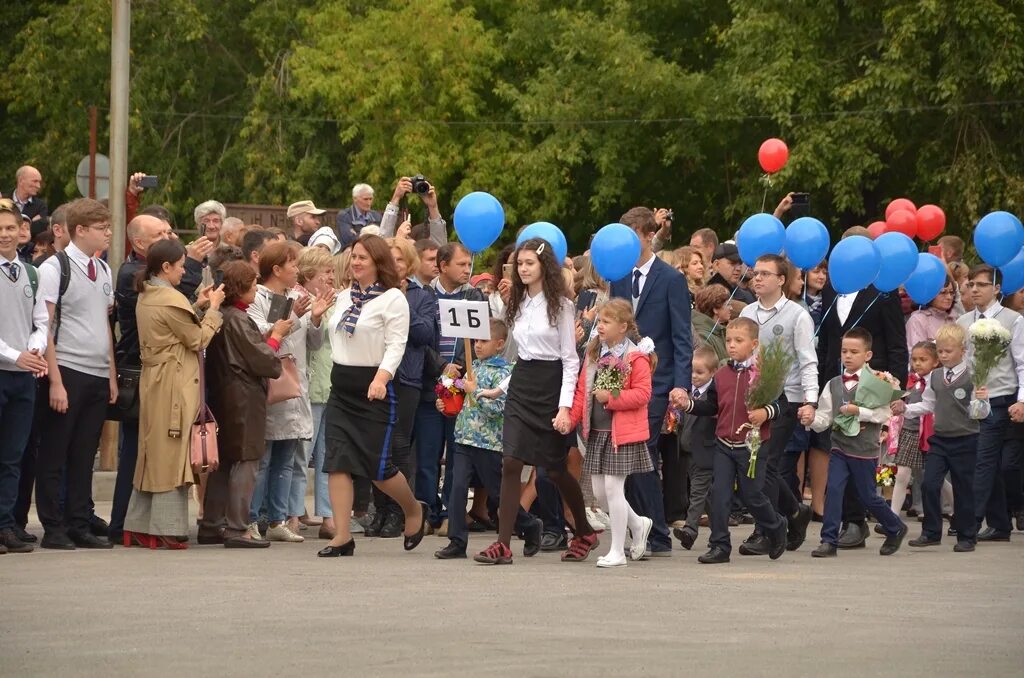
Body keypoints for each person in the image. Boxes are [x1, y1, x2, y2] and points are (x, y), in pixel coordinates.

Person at [474, 238, 596, 565]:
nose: (523, 269)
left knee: (554, 471)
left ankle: (584, 530)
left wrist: (565, 407)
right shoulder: (518, 302)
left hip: (552, 386)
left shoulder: (562, 305)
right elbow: (524, 357)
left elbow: (570, 361)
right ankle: (502, 544)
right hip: (522, 386)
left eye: (529, 263)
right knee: (510, 463)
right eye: (520, 264)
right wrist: (500, 388)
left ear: (544, 266)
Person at [319, 235, 427, 557]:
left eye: (363, 257)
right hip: (341, 388)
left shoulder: (393, 298)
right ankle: (341, 536)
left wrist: (382, 377)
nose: (355, 262)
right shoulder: (343, 297)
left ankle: (412, 509)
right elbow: (336, 337)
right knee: (337, 461)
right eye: (353, 256)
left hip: (373, 387)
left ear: (378, 262)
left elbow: (397, 344)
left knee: (378, 469)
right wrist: (314, 317)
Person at [109, 215, 211, 542]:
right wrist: (215, 311)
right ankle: (167, 530)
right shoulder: (170, 298)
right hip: (172, 385)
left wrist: (196, 304)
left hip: (156, 380)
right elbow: (196, 339)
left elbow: (172, 325)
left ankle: (137, 527)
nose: (185, 271)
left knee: (150, 455)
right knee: (171, 456)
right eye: (181, 266)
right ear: (165, 267)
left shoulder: (150, 293)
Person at [609, 206, 693, 558]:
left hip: (658, 382)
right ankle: (644, 527)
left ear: (647, 235)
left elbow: (681, 336)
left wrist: (681, 384)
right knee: (629, 457)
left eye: (632, 238)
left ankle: (656, 531)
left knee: (643, 452)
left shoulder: (671, 279)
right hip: (622, 382)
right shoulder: (617, 277)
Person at [34, 198, 117, 550]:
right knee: (55, 452)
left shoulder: (105, 270)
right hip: (67, 368)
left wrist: (111, 374)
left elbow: (104, 324)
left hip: (97, 373)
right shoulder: (55, 267)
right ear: (79, 230)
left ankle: (79, 522)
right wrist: (55, 379)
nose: (108, 233)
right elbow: (46, 325)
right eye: (101, 228)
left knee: (84, 455)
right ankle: (53, 526)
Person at [817, 250, 907, 549]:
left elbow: (896, 342)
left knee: (866, 488)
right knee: (836, 481)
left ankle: (863, 523)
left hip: (872, 384)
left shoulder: (882, 291)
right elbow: (829, 340)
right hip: (836, 381)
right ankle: (832, 536)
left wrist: (895, 389)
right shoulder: (831, 287)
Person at [434, 318, 543, 559]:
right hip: (463, 438)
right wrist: (445, 404)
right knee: (457, 487)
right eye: (475, 341)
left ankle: (528, 524)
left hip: (489, 442)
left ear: (500, 344)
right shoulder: (472, 368)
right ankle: (457, 540)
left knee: (498, 493)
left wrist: (477, 394)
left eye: (484, 341)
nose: (477, 345)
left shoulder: (504, 373)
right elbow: (460, 402)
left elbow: (500, 409)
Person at [682, 317, 788, 564]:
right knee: (719, 494)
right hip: (723, 444)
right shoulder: (721, 374)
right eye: (728, 340)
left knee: (752, 495)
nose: (731, 345)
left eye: (738, 341)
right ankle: (720, 545)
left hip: (752, 444)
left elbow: (783, 404)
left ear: (753, 344)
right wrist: (688, 404)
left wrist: (765, 413)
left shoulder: (764, 373)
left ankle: (776, 525)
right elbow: (711, 405)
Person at [247, 241, 331, 543]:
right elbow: (265, 335)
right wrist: (294, 316)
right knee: (265, 457)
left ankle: (278, 519)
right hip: (273, 384)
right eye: (293, 264)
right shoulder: (258, 296)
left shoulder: (297, 296)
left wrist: (317, 318)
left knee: (287, 456)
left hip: (297, 385)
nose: (298, 269)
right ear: (277, 269)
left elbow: (314, 342)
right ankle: (253, 519)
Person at [801, 328, 909, 558]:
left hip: (864, 449)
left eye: (854, 352)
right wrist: (811, 419)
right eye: (844, 351)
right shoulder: (833, 384)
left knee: (868, 496)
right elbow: (825, 417)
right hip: (839, 446)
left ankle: (895, 526)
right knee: (835, 490)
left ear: (867, 355)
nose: (847, 356)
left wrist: (857, 411)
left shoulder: (878, 381)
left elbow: (883, 414)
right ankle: (828, 540)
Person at [199, 261, 284, 548]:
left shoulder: (222, 314)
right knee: (246, 460)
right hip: (244, 397)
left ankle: (212, 523)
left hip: (223, 394)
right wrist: (276, 337)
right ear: (242, 287)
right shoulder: (237, 318)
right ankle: (237, 527)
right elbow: (262, 359)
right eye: (252, 283)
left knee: (223, 462)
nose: (257, 289)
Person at [568, 299, 656, 567]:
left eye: (606, 321)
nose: (600, 326)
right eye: (600, 321)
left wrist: (611, 397)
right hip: (597, 432)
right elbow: (583, 391)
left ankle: (618, 549)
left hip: (621, 433)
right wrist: (570, 419)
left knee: (613, 489)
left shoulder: (634, 357)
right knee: (600, 493)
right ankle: (638, 523)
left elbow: (643, 394)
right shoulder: (595, 354)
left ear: (623, 326)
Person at [739, 254, 816, 553]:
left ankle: (768, 528)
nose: (757, 278)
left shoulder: (797, 315)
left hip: (787, 399)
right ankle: (795, 512)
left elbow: (808, 360)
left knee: (766, 462)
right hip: (754, 397)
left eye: (765, 274)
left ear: (781, 280)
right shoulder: (747, 311)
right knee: (757, 464)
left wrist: (809, 401)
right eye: (755, 273)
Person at [366, 237, 438, 538]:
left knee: (397, 445)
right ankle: (380, 509)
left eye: (398, 259)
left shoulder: (422, 296)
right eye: (389, 259)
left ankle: (400, 511)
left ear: (407, 263)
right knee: (373, 445)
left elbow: (424, 333)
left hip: (406, 377)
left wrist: (399, 308)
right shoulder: (372, 293)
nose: (393, 264)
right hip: (374, 375)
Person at [894, 324, 989, 552]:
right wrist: (905, 408)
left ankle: (967, 535)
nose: (944, 356)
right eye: (941, 352)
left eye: (949, 351)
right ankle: (931, 531)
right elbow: (928, 404)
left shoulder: (973, 374)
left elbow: (982, 413)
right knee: (929, 483)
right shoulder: (935, 376)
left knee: (963, 488)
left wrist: (981, 400)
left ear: (962, 350)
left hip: (966, 439)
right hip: (940, 439)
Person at [417, 242, 484, 531]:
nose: (467, 270)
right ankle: (427, 512)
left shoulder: (474, 295)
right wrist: (441, 367)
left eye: (469, 265)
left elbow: (478, 337)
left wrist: (455, 369)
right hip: (429, 384)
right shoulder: (423, 296)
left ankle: (450, 513)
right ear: (443, 266)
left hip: (460, 384)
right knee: (427, 454)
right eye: (461, 264)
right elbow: (418, 339)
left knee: (457, 455)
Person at [956, 265, 1024, 541]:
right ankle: (999, 524)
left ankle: (970, 520)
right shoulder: (963, 322)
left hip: (1001, 399)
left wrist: (1022, 400)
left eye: (981, 285)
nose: (974, 289)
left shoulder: (1013, 320)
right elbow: (961, 364)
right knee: (990, 462)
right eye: (971, 284)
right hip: (971, 402)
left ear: (996, 288)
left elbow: (1021, 363)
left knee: (984, 460)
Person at [0, 198, 48, 554]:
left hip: (22, 378)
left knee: (13, 456)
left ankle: (6, 525)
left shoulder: (30, 271)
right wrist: (16, 355)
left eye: (9, 228)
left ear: (21, 231)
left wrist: (34, 349)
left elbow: (41, 321)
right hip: (4, 369)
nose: (4, 234)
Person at [296, 247, 338, 539]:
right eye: (327, 273)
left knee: (329, 457)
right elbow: (311, 341)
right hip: (310, 386)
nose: (332, 277)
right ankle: (292, 512)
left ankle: (329, 515)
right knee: (302, 454)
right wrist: (316, 315)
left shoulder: (335, 300)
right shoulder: (300, 301)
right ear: (310, 276)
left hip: (334, 384)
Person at [889, 341, 954, 521]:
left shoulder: (938, 381)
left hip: (930, 434)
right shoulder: (911, 381)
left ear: (935, 362)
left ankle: (957, 509)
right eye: (914, 359)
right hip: (909, 431)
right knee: (902, 474)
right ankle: (892, 518)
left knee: (935, 478)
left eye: (923, 359)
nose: (917, 363)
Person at [672, 346, 718, 550]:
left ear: (712, 373)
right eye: (691, 371)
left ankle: (690, 531)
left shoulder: (712, 396)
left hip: (705, 451)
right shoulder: (686, 392)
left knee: (698, 492)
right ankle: (719, 529)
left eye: (700, 372)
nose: (694, 376)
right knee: (705, 495)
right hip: (686, 449)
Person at [380, 177, 448, 247]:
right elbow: (383, 248)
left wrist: (433, 207)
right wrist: (396, 197)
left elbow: (439, 248)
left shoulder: (431, 254)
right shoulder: (393, 255)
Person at [906, 278, 957, 350]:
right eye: (943, 292)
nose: (949, 297)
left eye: (951, 293)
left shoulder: (954, 318)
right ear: (930, 294)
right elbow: (916, 353)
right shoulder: (918, 320)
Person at [336, 183, 383, 249]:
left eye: (371, 199)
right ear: (355, 199)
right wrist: (373, 235)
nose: (369, 203)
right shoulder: (345, 216)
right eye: (365, 199)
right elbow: (349, 240)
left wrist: (358, 234)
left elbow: (383, 238)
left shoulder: (376, 216)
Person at [692, 284, 730, 363]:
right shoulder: (703, 335)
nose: (731, 308)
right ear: (715, 309)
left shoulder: (720, 330)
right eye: (728, 304)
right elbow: (709, 366)